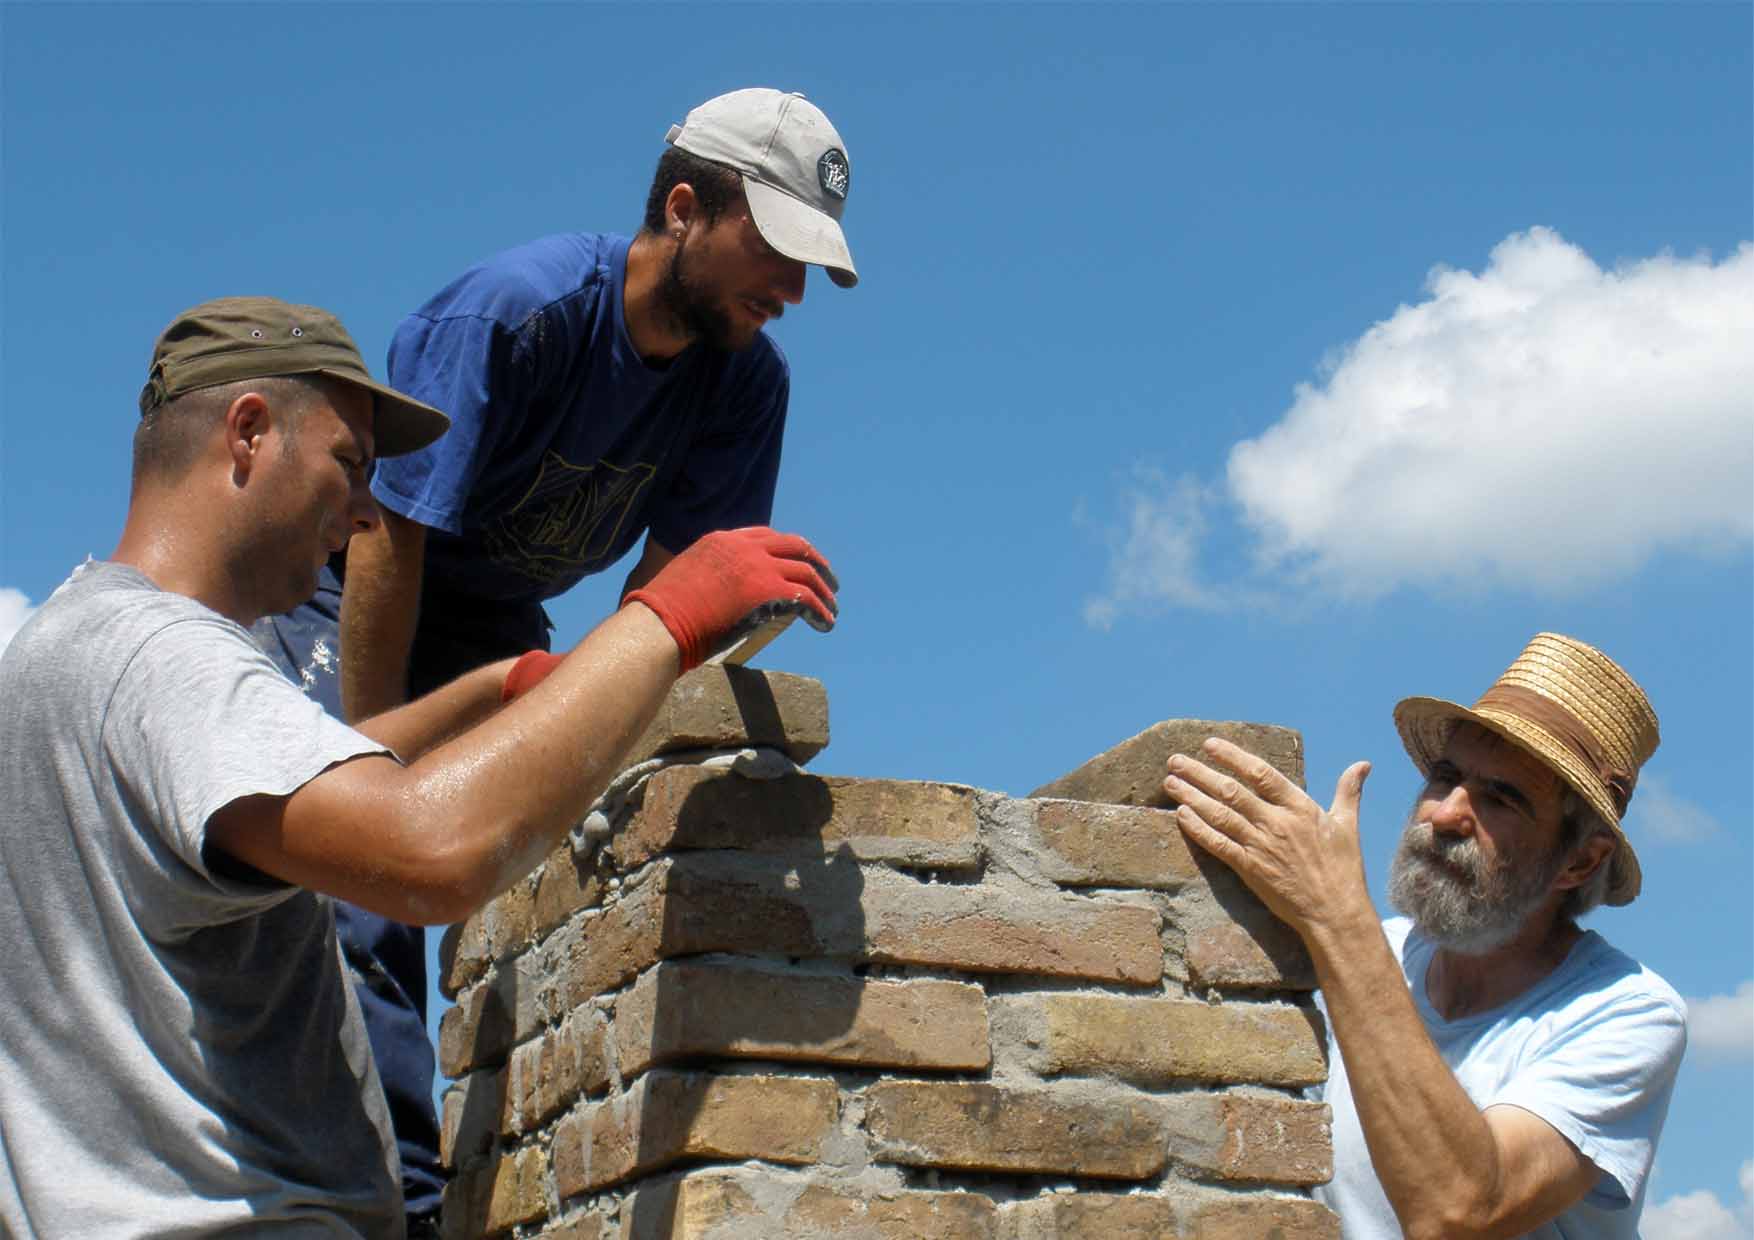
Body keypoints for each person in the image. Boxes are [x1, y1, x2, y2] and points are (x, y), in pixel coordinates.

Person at [0, 296, 836, 1237]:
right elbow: (428, 851)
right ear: (247, 434)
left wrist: (501, 686)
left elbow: (327, 787)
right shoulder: (168, 662)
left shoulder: (58, 653)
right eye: (350, 465)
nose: (365, 512)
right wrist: (663, 620)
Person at [252, 86, 858, 1225]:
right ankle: (387, 1202)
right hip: (352, 602)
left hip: (496, 624)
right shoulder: (515, 313)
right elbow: (391, 533)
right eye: (773, 250)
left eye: (808, 268)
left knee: (513, 863)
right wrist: (369, 752)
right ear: (683, 208)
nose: (789, 290)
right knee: (363, 893)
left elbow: (655, 607)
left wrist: (598, 741)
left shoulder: (744, 386)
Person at [1162, 633, 1685, 1239]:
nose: (1444, 815)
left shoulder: (1627, 1013)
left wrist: (1335, 915)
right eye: (1445, 776)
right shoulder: (1362, 953)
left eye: (1502, 799)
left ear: (1580, 863)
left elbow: (1459, 1210)